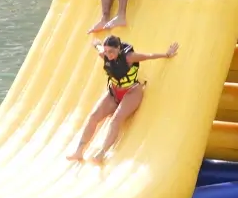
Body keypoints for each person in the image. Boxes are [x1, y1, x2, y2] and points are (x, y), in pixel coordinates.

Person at [67, 35, 179, 164]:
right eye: (106, 51)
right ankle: (79, 152)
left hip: (131, 92)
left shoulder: (129, 57)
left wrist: (166, 54)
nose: (108, 55)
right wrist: (96, 44)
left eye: (112, 51)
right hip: (114, 92)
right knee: (93, 117)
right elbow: (98, 47)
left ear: (119, 49)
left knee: (115, 120)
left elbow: (148, 56)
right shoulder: (104, 54)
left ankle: (101, 153)